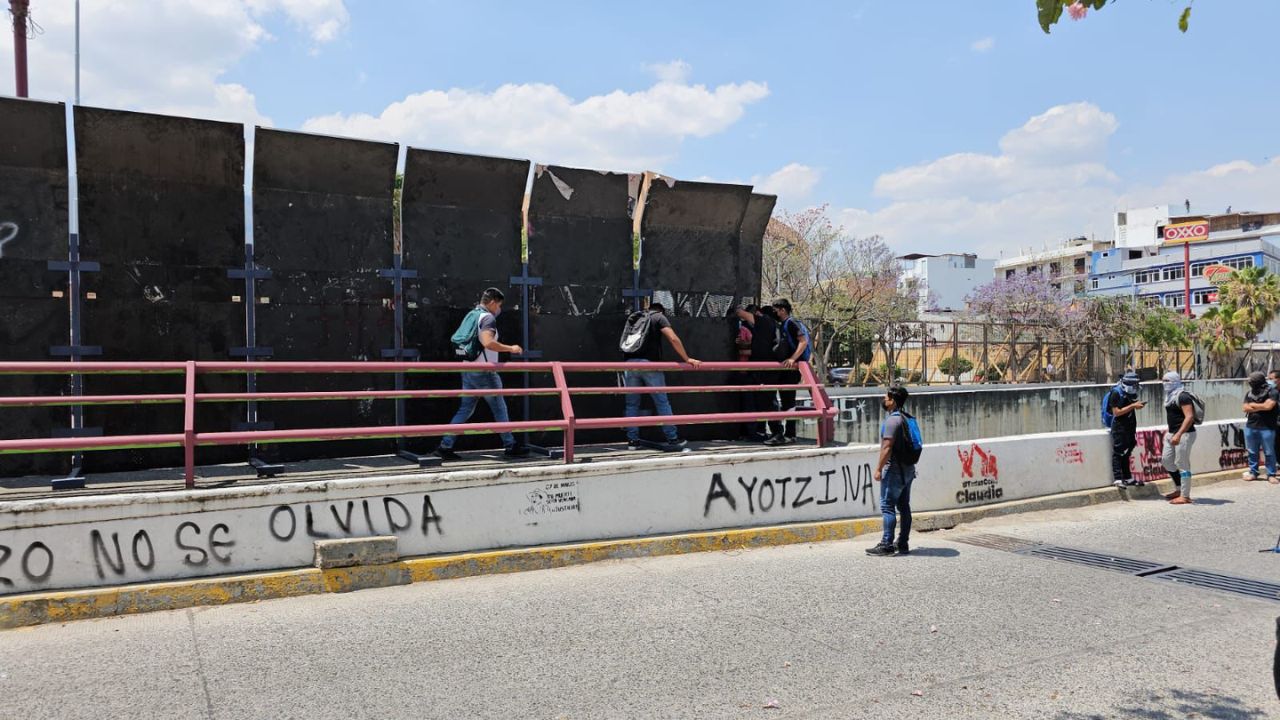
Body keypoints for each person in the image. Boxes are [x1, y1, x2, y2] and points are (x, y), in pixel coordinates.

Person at [436, 288, 529, 461]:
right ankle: (510, 445)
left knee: (465, 409)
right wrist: (511, 348)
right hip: (485, 371)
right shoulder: (487, 318)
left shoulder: (472, 315)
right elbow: (487, 342)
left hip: (468, 369)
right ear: (493, 302)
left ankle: (445, 445)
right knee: (500, 409)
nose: (499, 309)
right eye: (499, 305)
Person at [622, 302, 701, 449]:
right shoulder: (659, 317)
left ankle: (632, 441)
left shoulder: (637, 318)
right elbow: (673, 338)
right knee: (662, 402)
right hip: (650, 365)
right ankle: (672, 438)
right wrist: (687, 359)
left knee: (632, 404)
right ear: (661, 311)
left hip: (629, 363)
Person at [867, 384, 915, 557]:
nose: (883, 400)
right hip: (908, 469)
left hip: (894, 470)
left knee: (887, 507)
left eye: (886, 398)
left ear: (893, 401)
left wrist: (878, 469)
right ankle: (903, 543)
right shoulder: (908, 418)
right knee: (904, 506)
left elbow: (886, 448)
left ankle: (887, 544)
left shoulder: (891, 421)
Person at [735, 304, 784, 441]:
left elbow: (741, 314)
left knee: (769, 402)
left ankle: (777, 433)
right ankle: (768, 432)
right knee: (765, 402)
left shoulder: (764, 321)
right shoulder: (771, 327)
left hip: (766, 370)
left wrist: (738, 309)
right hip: (767, 368)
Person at [768, 298, 811, 446]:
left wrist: (793, 359)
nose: (774, 312)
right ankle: (788, 433)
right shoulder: (784, 324)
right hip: (787, 368)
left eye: (776, 309)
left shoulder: (791, 323)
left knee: (788, 400)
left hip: (791, 369)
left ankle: (790, 433)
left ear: (783, 310)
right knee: (786, 400)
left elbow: (803, 341)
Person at [1160, 371, 1196, 505]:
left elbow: (1189, 417)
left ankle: (1185, 495)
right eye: (1163, 381)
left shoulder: (1183, 396)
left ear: (1175, 381)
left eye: (1167, 381)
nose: (1165, 384)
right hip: (1172, 433)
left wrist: (1179, 434)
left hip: (1184, 434)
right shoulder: (1169, 396)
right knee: (1166, 461)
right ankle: (1178, 489)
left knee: (1182, 464)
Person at [1109, 371, 1145, 488]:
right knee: (1118, 452)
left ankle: (1128, 477)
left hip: (1130, 427)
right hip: (1119, 428)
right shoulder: (1116, 393)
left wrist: (1136, 405)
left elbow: (1129, 408)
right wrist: (1133, 406)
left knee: (1127, 452)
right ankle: (1118, 478)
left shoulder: (1129, 394)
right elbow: (1117, 412)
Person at [1242, 371, 1278, 481]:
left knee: (1269, 452)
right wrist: (1261, 406)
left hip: (1267, 427)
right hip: (1251, 426)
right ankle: (1253, 472)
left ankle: (1271, 474)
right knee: (1252, 451)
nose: (1250, 383)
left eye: (1252, 381)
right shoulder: (1249, 393)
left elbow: (1269, 406)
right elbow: (1245, 408)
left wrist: (1253, 405)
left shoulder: (1272, 392)